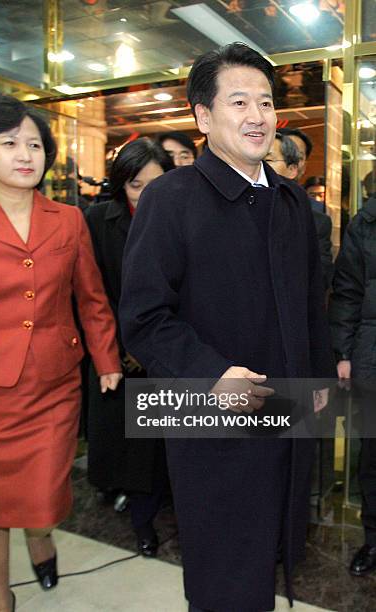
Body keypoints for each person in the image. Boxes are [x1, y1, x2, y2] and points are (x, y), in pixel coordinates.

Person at [119, 43, 334, 611]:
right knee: (224, 572)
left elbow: (313, 303)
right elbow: (143, 317)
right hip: (212, 416)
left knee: (272, 551)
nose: (257, 115)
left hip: (284, 412)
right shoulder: (170, 199)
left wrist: (317, 380)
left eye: (265, 102)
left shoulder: (293, 202)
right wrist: (211, 375)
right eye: (239, 101)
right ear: (203, 116)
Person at [0, 93, 121, 612]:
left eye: (33, 143)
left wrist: (107, 360)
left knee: (43, 497)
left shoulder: (69, 220)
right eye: (9, 143)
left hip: (54, 386)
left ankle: (40, 536)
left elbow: (92, 297)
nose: (24, 154)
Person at [85, 138, 175, 556]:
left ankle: (163, 512)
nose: (146, 194)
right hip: (118, 354)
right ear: (122, 184)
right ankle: (143, 524)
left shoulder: (184, 218)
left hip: (171, 350)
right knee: (132, 448)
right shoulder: (99, 220)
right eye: (136, 185)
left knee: (166, 445)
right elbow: (93, 293)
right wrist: (120, 347)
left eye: (155, 184)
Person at [329, 192, 376, 577]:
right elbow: (346, 292)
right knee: (373, 457)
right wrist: (343, 352)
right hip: (371, 356)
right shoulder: (366, 222)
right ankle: (374, 539)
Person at [266, 134, 333, 290]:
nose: (259, 168)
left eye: (268, 161)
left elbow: (318, 278)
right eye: (254, 161)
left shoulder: (316, 222)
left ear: (292, 169)